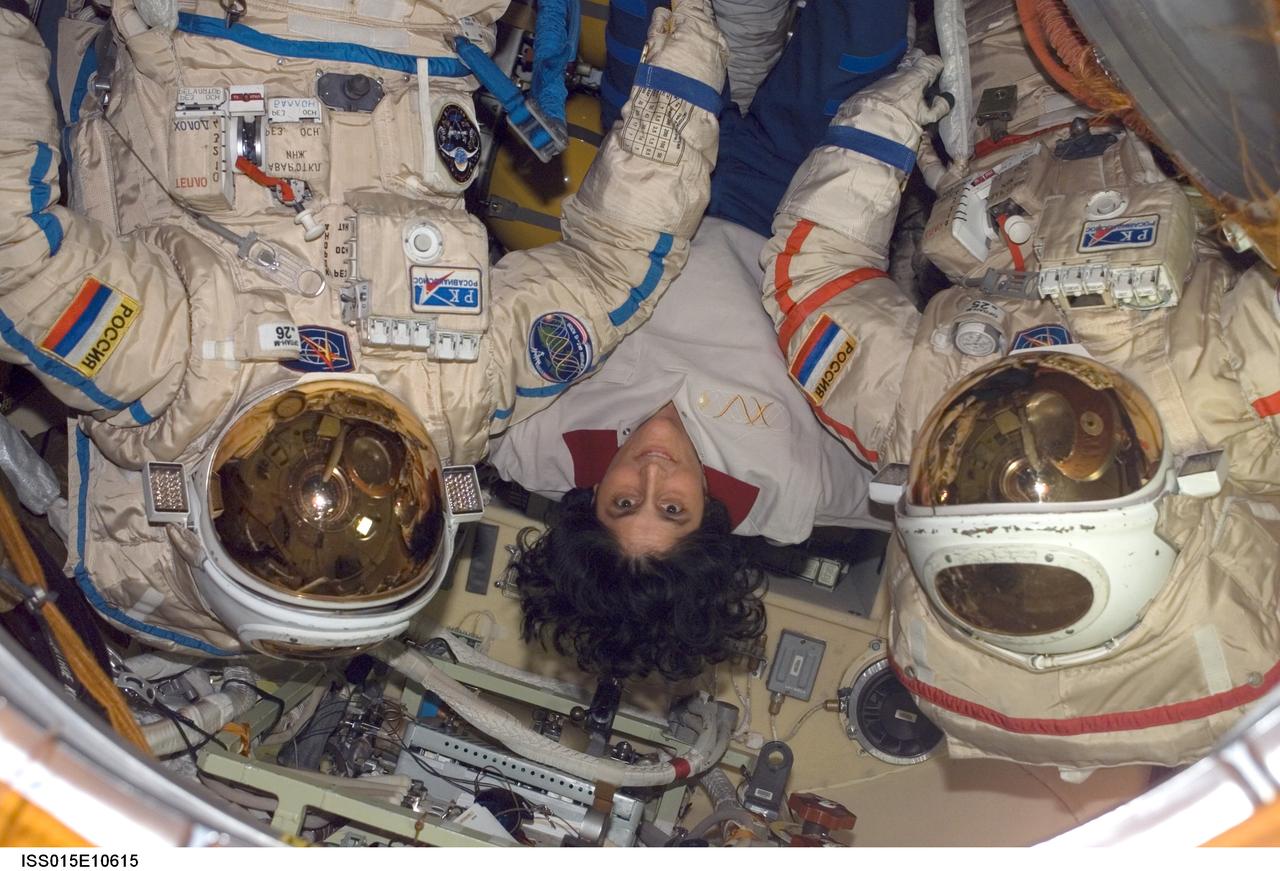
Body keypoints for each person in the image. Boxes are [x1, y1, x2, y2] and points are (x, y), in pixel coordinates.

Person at [0, 0, 727, 657]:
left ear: (199, 502)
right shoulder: (457, 397)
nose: (337, 475)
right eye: (368, 526)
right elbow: (611, 268)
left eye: (281, 516)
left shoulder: (170, 371)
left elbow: (16, 259)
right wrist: (686, 71)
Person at [756, 0, 1280, 771]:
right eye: (1075, 454)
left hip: (1013, 107)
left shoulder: (918, 418)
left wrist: (885, 120)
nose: (1032, 398)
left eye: (982, 455)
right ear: (1164, 497)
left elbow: (811, 285)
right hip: (1194, 105)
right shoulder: (1229, 408)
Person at [494, 0, 924, 681]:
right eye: (672, 508)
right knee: (868, 27)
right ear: (709, 528)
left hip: (652, 179)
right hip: (794, 203)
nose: (653, 472)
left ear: (585, 503)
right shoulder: (787, 490)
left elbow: (441, 406)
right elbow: (914, 480)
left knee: (655, 11)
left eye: (622, 500)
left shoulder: (532, 443)